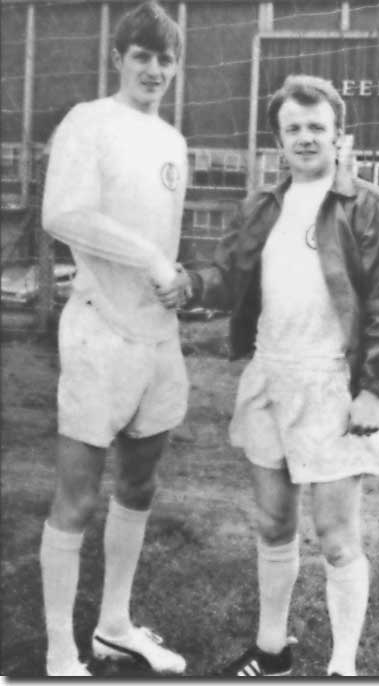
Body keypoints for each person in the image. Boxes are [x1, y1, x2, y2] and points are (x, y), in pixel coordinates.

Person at [160, 75, 379, 677]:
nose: (306, 138)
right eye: (294, 128)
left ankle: (343, 667)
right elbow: (230, 275)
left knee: (335, 536)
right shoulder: (261, 207)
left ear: (339, 135)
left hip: (333, 383)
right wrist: (193, 284)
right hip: (270, 376)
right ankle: (272, 650)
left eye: (316, 127)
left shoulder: (374, 208)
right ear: (279, 140)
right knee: (274, 524)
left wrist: (373, 390)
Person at [40, 1, 191, 677]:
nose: (154, 69)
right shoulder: (87, 122)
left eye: (165, 59)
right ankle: (59, 651)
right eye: (142, 56)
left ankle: (113, 626)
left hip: (159, 340)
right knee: (76, 493)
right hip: (99, 331)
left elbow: (167, 243)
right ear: (119, 58)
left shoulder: (174, 141)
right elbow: (63, 213)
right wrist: (152, 262)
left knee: (140, 483)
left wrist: (177, 277)